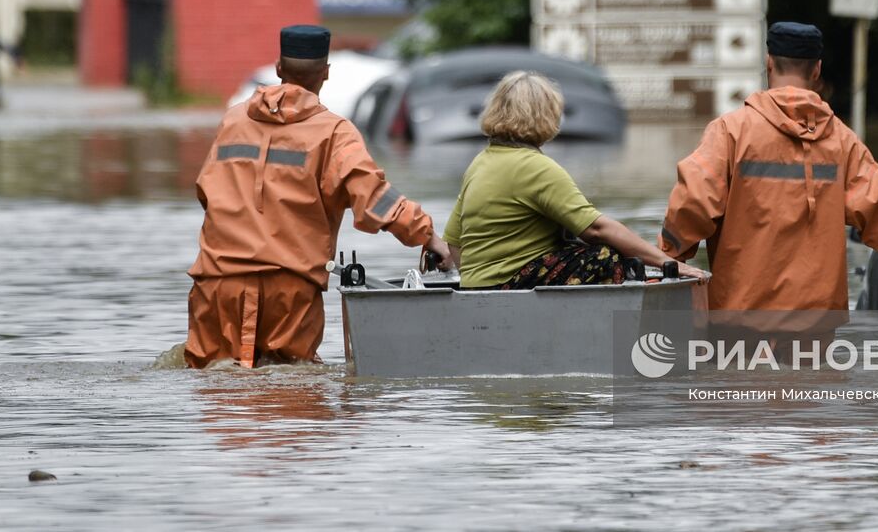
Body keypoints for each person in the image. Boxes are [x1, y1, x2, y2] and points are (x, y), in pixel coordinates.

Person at [185, 24, 451, 368]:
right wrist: (428, 236)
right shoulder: (335, 132)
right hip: (289, 287)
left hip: (216, 282)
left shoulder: (233, 121)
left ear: (279, 68)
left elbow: (206, 193)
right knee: (292, 400)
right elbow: (374, 201)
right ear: (325, 73)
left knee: (218, 396)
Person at [660, 21, 878, 312]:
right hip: (814, 326)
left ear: (769, 62)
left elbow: (692, 205)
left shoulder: (730, 133)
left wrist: (663, 260)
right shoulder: (842, 143)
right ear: (817, 70)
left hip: (742, 320)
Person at [444, 70, 707, 289]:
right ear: (546, 115)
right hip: (510, 285)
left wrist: (475, 284)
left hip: (478, 284)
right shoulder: (535, 167)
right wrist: (666, 263)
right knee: (606, 255)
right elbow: (596, 229)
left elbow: (454, 240)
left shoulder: (480, 163)